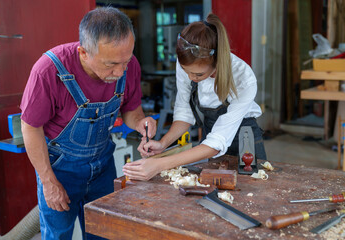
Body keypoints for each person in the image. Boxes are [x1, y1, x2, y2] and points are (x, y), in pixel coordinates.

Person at [20, 7, 156, 240]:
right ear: (83, 53)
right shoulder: (49, 71)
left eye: (126, 61)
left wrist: (141, 122)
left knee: (103, 232)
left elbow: (131, 110)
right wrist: (48, 182)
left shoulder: (127, 65)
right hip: (60, 169)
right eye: (110, 64)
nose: (120, 71)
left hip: (103, 166)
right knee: (58, 235)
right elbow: (31, 127)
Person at [123, 13, 266, 181]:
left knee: (250, 189)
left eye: (198, 74)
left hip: (244, 138)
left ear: (217, 62)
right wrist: (163, 144)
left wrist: (160, 165)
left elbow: (217, 142)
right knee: (213, 187)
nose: (191, 77)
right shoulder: (186, 62)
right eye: (186, 71)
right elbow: (185, 113)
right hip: (211, 135)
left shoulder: (243, 78)